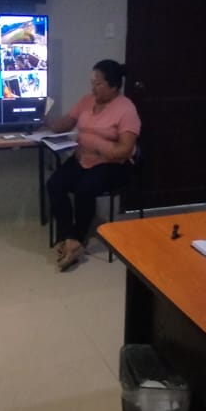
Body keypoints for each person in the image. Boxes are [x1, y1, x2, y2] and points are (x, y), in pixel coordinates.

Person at [45, 59, 141, 271]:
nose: (93, 88)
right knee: (55, 184)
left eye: (98, 84)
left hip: (113, 164)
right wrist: (48, 120)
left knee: (84, 189)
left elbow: (125, 150)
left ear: (113, 86)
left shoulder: (126, 109)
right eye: (92, 83)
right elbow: (67, 122)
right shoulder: (87, 101)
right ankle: (69, 238)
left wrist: (96, 144)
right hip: (83, 158)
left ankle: (78, 238)